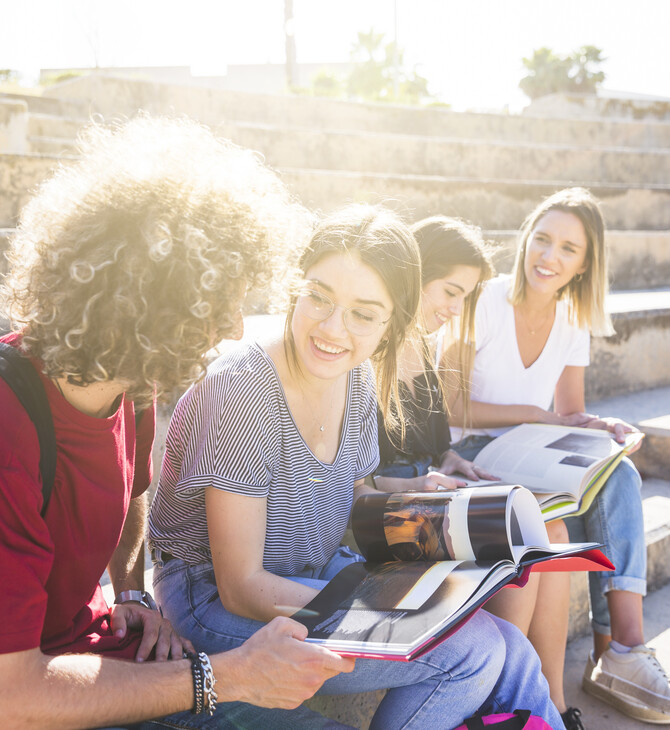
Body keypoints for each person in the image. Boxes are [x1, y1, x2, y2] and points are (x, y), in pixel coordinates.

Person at [0, 115, 358, 730]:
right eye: (219, 303)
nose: (234, 329)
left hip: (104, 654)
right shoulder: (9, 424)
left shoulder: (132, 378)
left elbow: (133, 492)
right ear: (148, 300)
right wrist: (233, 675)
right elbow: (13, 697)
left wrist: (130, 592)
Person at [148, 204, 566, 730]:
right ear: (294, 287)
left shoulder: (359, 376)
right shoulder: (242, 389)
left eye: (364, 314)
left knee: (510, 644)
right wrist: (407, 610)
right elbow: (243, 586)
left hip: (311, 570)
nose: (332, 328)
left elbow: (354, 498)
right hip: (215, 605)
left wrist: (460, 526)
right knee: (473, 649)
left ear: (392, 325)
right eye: (319, 297)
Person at [447, 187, 670, 727]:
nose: (549, 257)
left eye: (568, 249)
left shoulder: (573, 317)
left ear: (585, 263)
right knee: (564, 523)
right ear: (525, 240)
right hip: (470, 449)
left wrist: (604, 429)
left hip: (531, 447)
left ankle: (623, 648)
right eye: (542, 240)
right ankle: (607, 652)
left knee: (616, 471)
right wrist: (541, 416)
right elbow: (452, 404)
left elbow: (572, 411)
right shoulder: (485, 299)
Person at [373, 215, 496, 493]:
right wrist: (414, 485)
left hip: (430, 495)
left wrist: (450, 458)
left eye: (464, 297)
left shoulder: (422, 342)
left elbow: (437, 446)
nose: (457, 309)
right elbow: (342, 484)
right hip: (385, 512)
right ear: (416, 273)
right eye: (451, 292)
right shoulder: (362, 351)